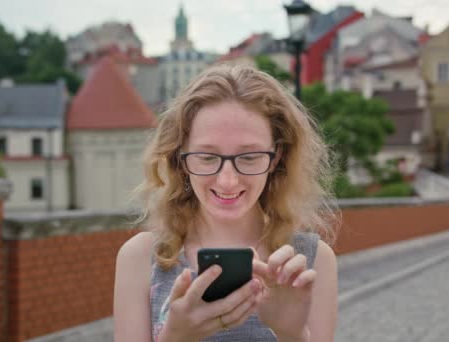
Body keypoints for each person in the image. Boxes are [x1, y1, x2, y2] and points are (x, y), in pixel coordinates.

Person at [113, 64, 339, 341]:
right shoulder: (140, 258)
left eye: (249, 157)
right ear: (180, 158)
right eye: (207, 157)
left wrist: (291, 332)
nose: (228, 181)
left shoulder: (312, 260)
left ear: (277, 156)